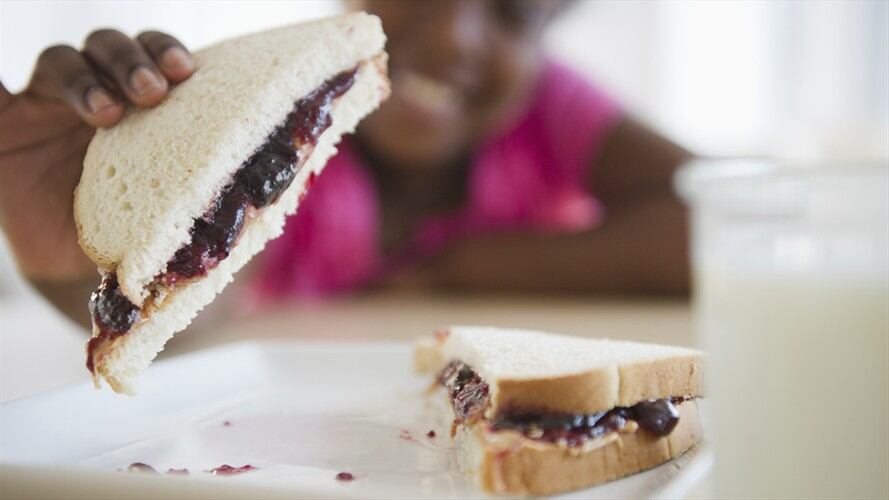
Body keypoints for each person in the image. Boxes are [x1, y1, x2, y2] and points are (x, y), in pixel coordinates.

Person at [0, 1, 690, 329]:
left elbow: (710, 225)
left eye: (512, 12)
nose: (453, 37)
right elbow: (185, 318)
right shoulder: (282, 121)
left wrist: (457, 268)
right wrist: (80, 264)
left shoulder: (547, 107)